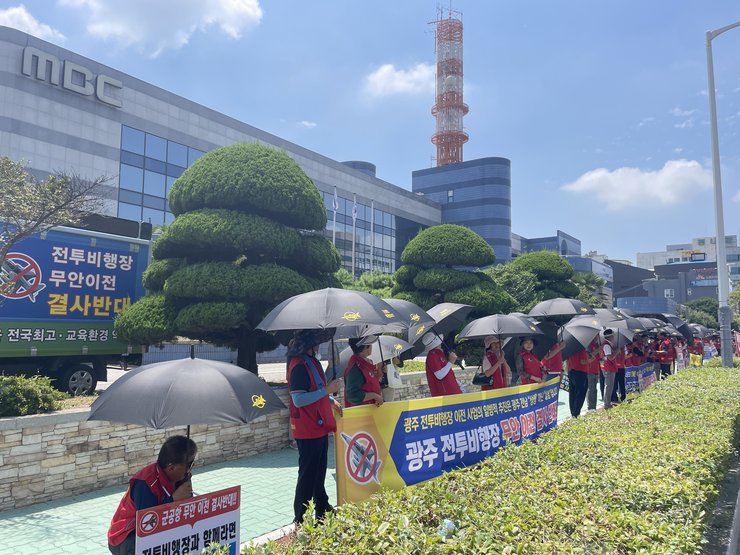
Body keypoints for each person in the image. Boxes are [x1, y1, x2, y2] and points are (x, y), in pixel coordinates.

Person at [287, 329, 343, 525]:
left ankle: (322, 507)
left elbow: (315, 389)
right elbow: (299, 398)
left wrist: (329, 399)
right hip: (307, 428)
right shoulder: (298, 366)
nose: (320, 345)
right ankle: (300, 517)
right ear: (310, 344)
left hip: (318, 424)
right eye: (318, 341)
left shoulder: (312, 362)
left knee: (319, 471)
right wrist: (328, 390)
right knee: (308, 474)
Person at [108, 436, 197, 554]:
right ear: (171, 468)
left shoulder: (178, 478)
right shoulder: (145, 483)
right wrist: (173, 500)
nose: (190, 468)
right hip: (125, 537)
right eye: (189, 464)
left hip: (147, 531)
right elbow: (148, 526)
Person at [343, 336, 384, 407]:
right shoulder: (355, 368)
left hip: (371, 409)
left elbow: (368, 385)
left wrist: (379, 374)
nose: (371, 346)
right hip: (362, 412)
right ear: (365, 348)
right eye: (370, 344)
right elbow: (352, 396)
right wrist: (374, 396)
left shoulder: (365, 363)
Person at [423, 332, 462, 396]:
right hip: (445, 393)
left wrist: (457, 382)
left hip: (450, 390)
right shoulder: (432, 355)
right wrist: (451, 362)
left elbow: (446, 371)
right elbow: (439, 375)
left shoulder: (439, 353)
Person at [567, 345, 599, 418]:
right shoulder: (581, 349)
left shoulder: (571, 348)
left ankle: (573, 412)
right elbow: (582, 361)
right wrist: (591, 360)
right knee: (580, 394)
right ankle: (576, 413)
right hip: (580, 373)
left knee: (573, 394)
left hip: (572, 371)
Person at [600, 329, 618, 409]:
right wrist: (616, 352)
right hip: (608, 367)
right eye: (613, 335)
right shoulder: (607, 345)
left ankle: (608, 402)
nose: (614, 337)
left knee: (609, 385)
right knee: (608, 386)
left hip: (608, 367)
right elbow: (610, 357)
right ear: (610, 336)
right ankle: (607, 403)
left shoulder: (608, 344)